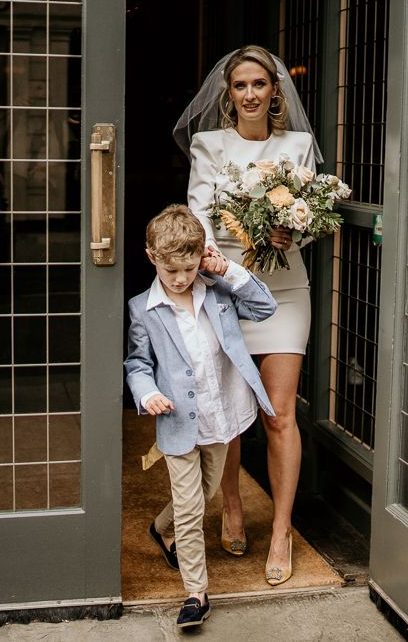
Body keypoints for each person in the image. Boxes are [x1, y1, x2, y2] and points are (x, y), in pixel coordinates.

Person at [172, 45, 321, 586]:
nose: (251, 94)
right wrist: (214, 261)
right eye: (241, 86)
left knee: (278, 415)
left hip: (284, 291)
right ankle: (232, 504)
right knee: (232, 414)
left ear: (275, 90)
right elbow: (198, 212)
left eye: (260, 84)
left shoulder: (298, 146)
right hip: (226, 290)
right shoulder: (208, 144)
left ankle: (281, 529)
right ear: (227, 93)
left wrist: (291, 231)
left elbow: (310, 213)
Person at [124, 204, 277, 628]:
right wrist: (149, 392)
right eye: (171, 270)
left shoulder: (217, 290)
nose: (180, 279)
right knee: (192, 509)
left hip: (220, 413)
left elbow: (265, 308)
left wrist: (226, 269)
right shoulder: (143, 308)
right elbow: (137, 364)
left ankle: (160, 526)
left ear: (201, 257)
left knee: (207, 491)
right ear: (152, 257)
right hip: (177, 421)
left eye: (189, 268)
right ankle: (196, 592)